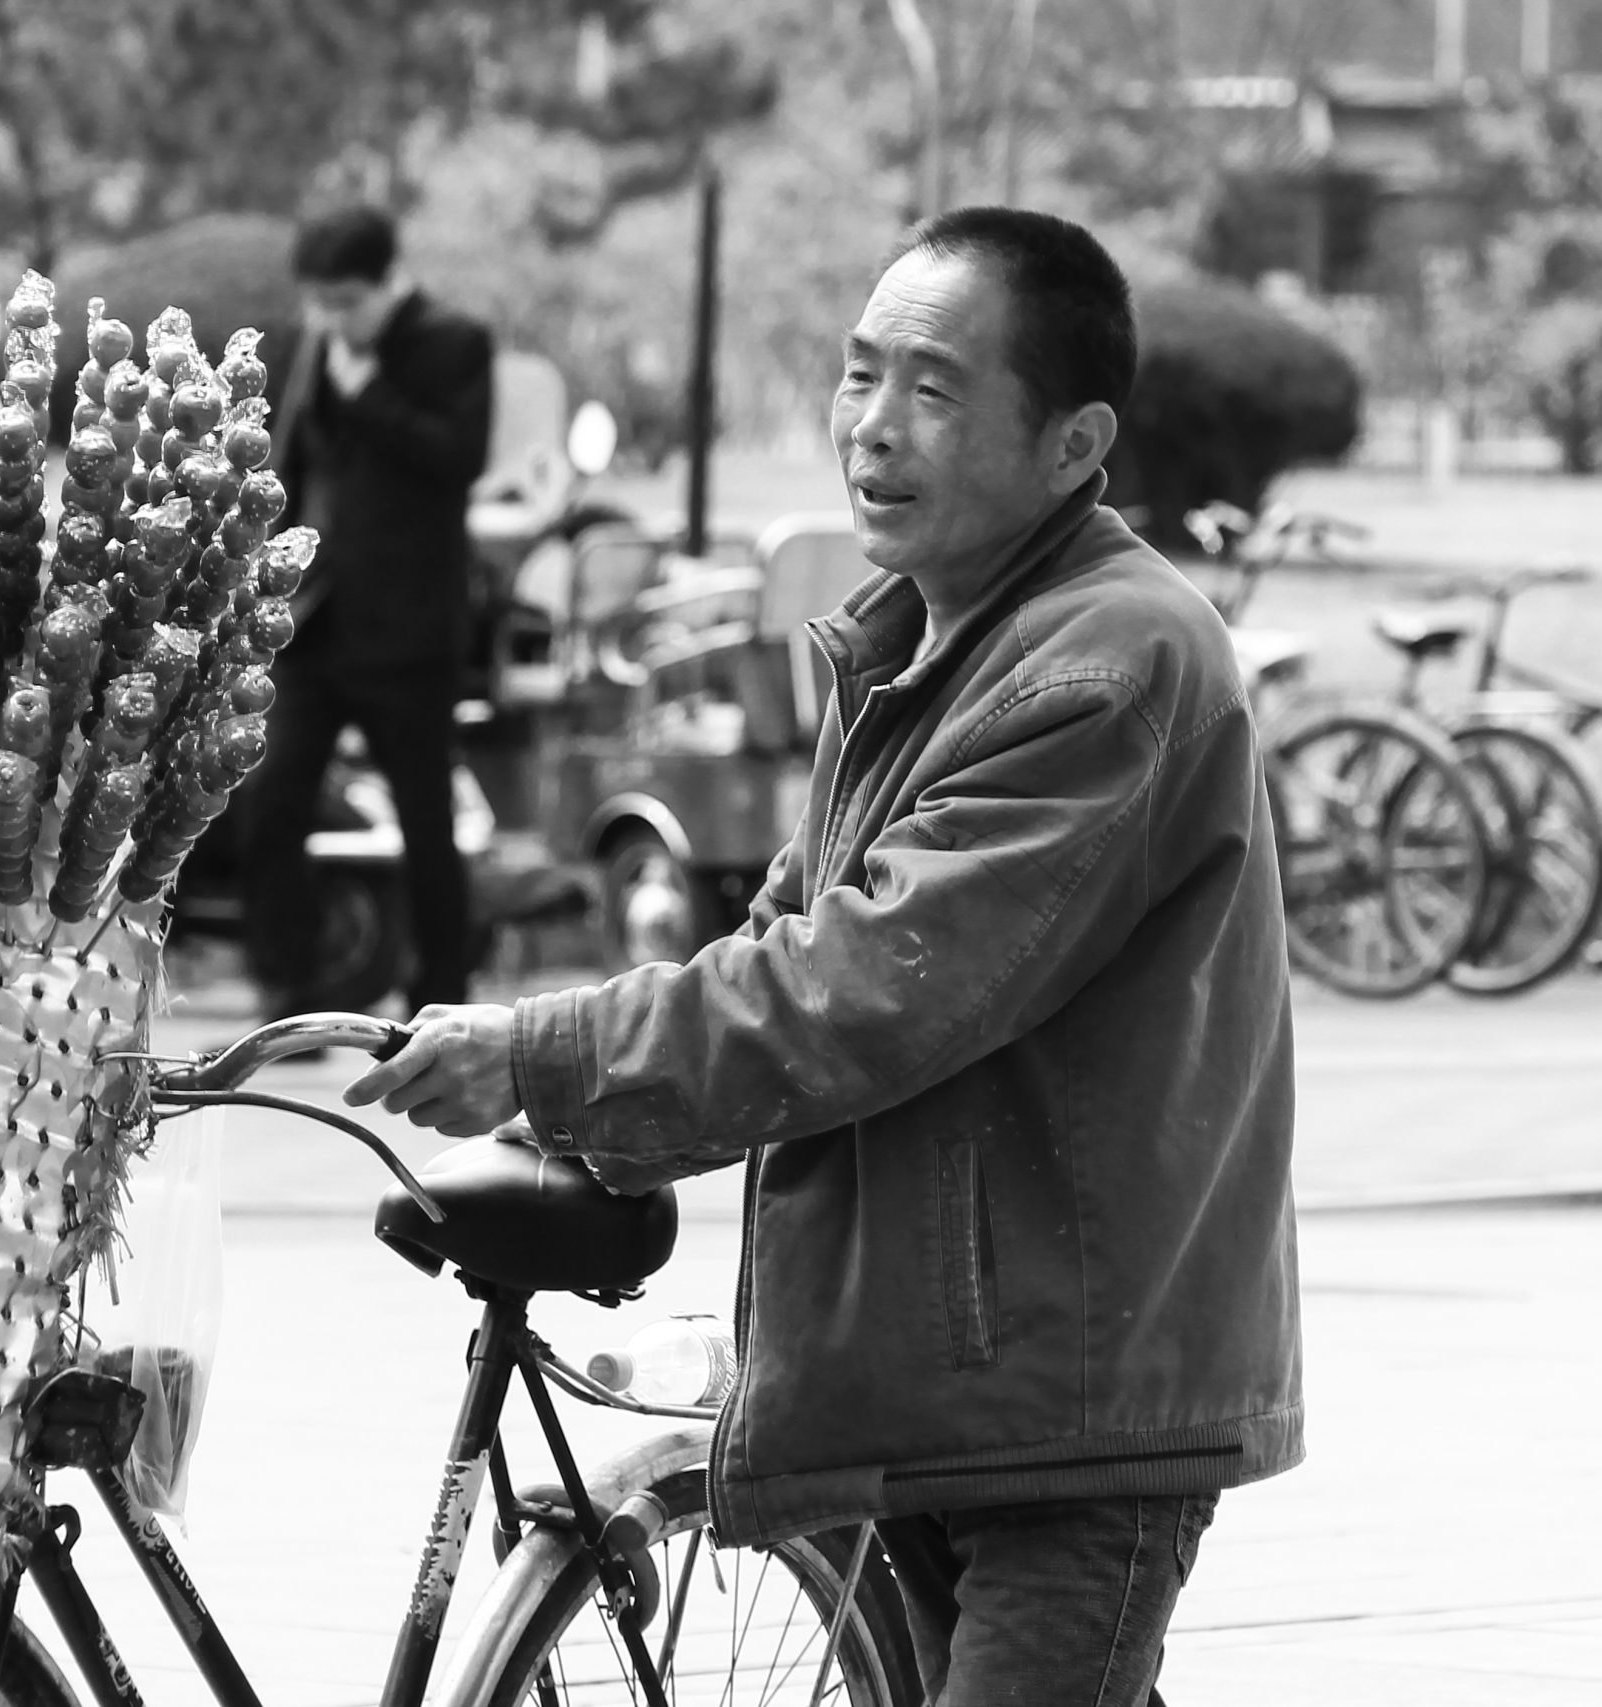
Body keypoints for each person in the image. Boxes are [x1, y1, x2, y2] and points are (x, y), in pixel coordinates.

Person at [345, 208, 1299, 1705]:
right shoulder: (927, 638)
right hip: (940, 1363)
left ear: (1072, 442)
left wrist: (547, 1050)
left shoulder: (1111, 664)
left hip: (1073, 1397)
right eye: (860, 376)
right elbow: (781, 935)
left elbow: (863, 983)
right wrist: (566, 1091)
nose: (873, 427)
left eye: (934, 388)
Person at [240, 205, 493, 1013]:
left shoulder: (454, 340)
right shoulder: (320, 344)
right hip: (319, 625)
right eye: (320, 301)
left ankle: (442, 989)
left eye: (346, 300)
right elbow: (290, 461)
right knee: (269, 800)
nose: (331, 318)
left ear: (388, 283)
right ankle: (294, 982)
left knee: (425, 820)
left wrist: (374, 394)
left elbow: (460, 458)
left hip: (411, 632)